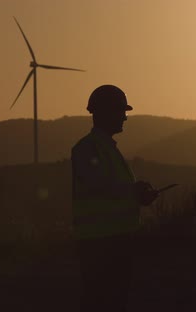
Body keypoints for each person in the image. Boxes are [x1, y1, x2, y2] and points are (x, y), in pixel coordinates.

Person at [71, 84, 158, 311]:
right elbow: (98, 186)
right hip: (99, 244)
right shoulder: (87, 149)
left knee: (114, 302)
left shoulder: (107, 149)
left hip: (117, 240)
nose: (125, 118)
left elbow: (111, 190)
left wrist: (139, 196)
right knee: (100, 303)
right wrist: (134, 191)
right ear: (104, 112)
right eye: (121, 111)